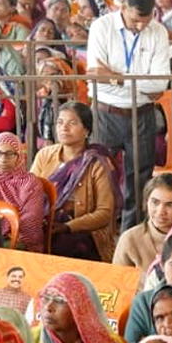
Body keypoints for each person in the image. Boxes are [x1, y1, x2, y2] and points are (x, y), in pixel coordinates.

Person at [87, 0, 172, 211]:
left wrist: (116, 78)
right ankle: (102, 230)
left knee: (140, 181)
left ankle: (133, 229)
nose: (141, 26)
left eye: (146, 21)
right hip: (105, 112)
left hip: (142, 112)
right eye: (136, 20)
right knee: (98, 176)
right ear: (123, 8)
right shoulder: (101, 27)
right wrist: (139, 83)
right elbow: (96, 77)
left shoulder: (158, 31)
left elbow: (159, 84)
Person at [33, 102, 124, 259]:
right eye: (60, 122)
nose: (64, 128)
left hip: (83, 230)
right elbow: (30, 194)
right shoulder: (44, 155)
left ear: (86, 131)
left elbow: (104, 213)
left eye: (72, 123)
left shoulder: (96, 163)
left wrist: (67, 227)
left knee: (64, 244)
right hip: (45, 222)